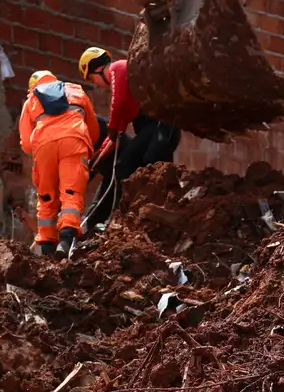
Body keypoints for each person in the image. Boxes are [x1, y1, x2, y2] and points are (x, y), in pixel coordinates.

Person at [79, 47, 182, 230]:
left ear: (96, 68)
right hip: (151, 130)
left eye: (92, 79)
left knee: (153, 162)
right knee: (124, 165)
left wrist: (112, 127)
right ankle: (124, 215)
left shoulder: (118, 68)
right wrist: (98, 157)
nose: (96, 84)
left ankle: (168, 208)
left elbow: (117, 106)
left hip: (162, 126)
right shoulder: (127, 91)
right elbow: (117, 131)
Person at [18, 70, 101, 256]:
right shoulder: (76, 90)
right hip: (74, 141)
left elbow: (27, 145)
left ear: (33, 87)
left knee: (47, 196)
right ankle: (65, 240)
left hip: (44, 146)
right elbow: (94, 131)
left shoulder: (31, 100)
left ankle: (47, 246)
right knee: (71, 192)